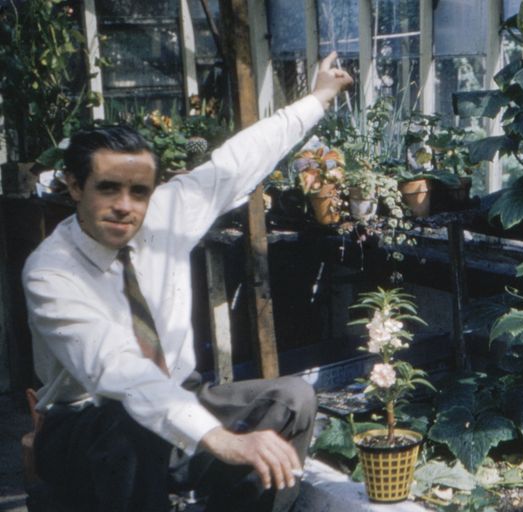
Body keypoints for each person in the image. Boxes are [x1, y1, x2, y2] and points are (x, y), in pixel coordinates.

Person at [22, 53, 353, 512]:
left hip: (179, 395)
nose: (125, 206)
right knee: (133, 421)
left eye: (139, 191)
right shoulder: (51, 271)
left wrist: (319, 97)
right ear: (75, 186)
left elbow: (240, 159)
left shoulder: (165, 213)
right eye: (108, 188)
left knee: (292, 399)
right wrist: (220, 438)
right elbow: (119, 370)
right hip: (87, 426)